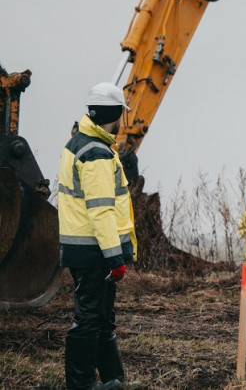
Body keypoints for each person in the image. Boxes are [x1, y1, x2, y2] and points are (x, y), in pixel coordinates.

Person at [58, 83, 140, 390]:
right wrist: (115, 258)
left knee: (102, 318)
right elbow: (101, 210)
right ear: (115, 113)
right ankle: (81, 385)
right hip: (94, 250)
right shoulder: (96, 153)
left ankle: (113, 380)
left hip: (87, 247)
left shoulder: (82, 143)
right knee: (90, 318)